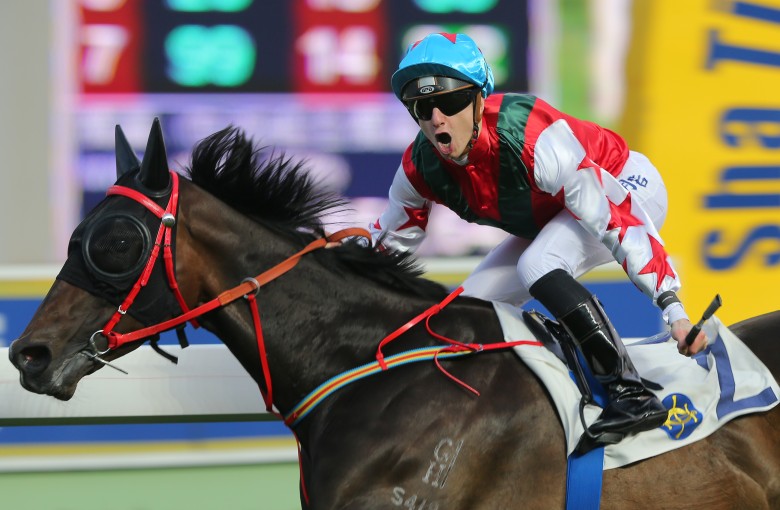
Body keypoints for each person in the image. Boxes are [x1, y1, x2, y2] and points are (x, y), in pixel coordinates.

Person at [369, 32, 709, 450]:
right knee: (468, 310)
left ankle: (630, 393)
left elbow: (614, 217)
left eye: (452, 102)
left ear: (479, 99)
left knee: (538, 265)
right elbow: (383, 250)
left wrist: (672, 307)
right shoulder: (419, 165)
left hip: (625, 187)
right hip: (556, 214)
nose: (437, 119)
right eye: (422, 107)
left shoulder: (530, 138)